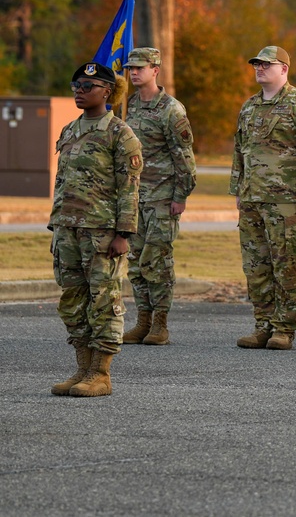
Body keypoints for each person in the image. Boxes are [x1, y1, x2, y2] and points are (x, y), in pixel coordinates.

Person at [50, 61, 142, 397]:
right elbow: (63, 183)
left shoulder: (120, 133)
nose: (79, 91)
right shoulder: (69, 131)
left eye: (88, 87)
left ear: (108, 92)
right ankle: (82, 368)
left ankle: (100, 373)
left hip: (102, 232)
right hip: (68, 230)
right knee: (73, 300)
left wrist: (123, 234)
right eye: (76, 86)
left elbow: (129, 187)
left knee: (104, 300)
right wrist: (57, 227)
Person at [231, 46, 296, 351]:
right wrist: (238, 190)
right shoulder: (249, 107)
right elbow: (240, 150)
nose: (259, 68)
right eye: (256, 65)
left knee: (286, 264)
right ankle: (262, 325)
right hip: (253, 198)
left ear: (284, 69)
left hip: (287, 200)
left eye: (266, 64)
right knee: (256, 266)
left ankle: (284, 328)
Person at [122, 47, 197, 346]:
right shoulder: (132, 105)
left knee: (158, 261)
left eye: (140, 67)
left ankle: (160, 324)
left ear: (156, 70)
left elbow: (186, 160)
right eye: (131, 68)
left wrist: (180, 196)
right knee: (136, 261)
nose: (134, 72)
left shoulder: (171, 109)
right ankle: (142, 321)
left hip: (163, 198)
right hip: (135, 197)